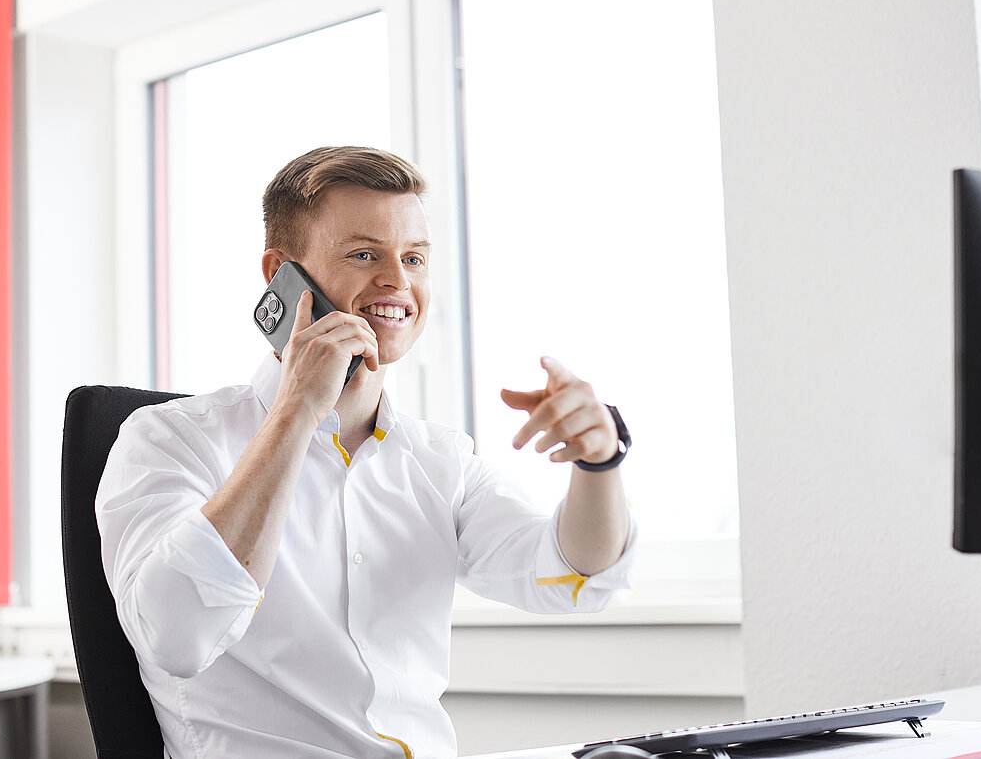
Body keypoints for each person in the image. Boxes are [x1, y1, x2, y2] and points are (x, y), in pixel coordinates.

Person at [98, 146, 636, 758]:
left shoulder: (440, 460)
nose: (398, 283)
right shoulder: (169, 439)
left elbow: (570, 576)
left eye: (413, 259)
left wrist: (598, 465)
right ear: (281, 273)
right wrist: (297, 410)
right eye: (364, 255)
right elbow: (177, 637)